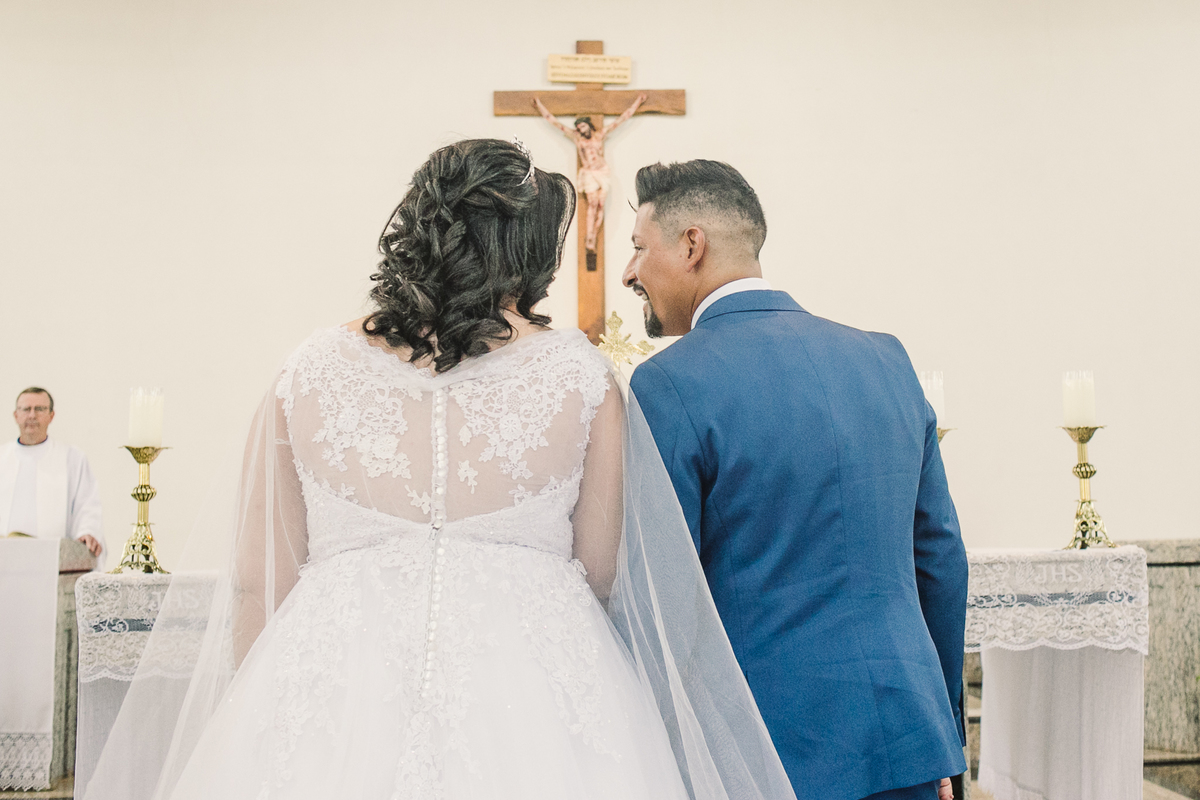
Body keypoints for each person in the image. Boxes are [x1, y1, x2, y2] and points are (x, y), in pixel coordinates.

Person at [81, 140, 795, 800]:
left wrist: (264, 714)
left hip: (334, 684)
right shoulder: (580, 377)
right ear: (527, 254)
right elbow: (604, 572)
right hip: (529, 697)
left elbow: (256, 581)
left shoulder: (308, 372)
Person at [622, 160, 968, 800]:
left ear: (692, 245)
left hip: (766, 752)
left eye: (640, 248)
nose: (628, 272)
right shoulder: (886, 358)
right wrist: (942, 734)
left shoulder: (668, 382)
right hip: (909, 739)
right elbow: (940, 559)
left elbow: (664, 594)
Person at [534, 93, 646, 253]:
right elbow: (554, 122)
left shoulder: (599, 135)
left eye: (583, 126)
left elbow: (622, 119)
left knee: (601, 204)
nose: (581, 129)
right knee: (592, 204)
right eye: (579, 128)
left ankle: (594, 234)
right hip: (588, 173)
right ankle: (590, 237)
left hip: (602, 171)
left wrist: (638, 101)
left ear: (588, 125)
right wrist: (539, 105)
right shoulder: (577, 138)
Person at [1, 387, 104, 559]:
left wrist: (87, 531)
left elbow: (87, 505)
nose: (32, 415)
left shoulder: (72, 458)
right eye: (26, 409)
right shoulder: (2, 457)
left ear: (51, 415)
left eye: (39, 409)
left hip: (54, 560)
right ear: (16, 415)